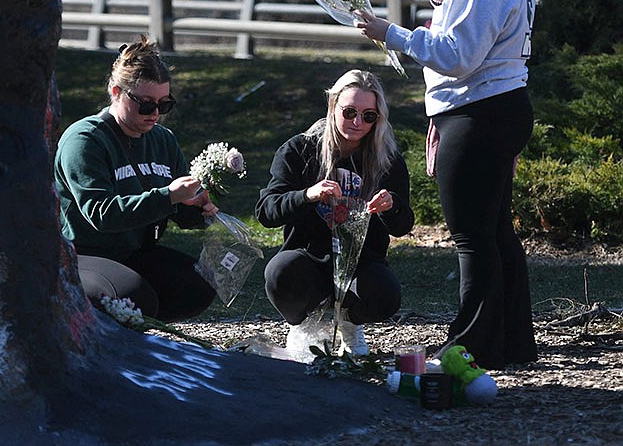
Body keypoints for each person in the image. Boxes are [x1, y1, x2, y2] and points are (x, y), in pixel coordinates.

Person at [354, 0, 538, 369]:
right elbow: (472, 41)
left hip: (476, 115)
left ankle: (471, 344)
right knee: (496, 231)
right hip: (504, 108)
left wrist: (388, 31)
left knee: (471, 236)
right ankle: (513, 340)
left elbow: (457, 57)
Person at [54, 35, 217, 323]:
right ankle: (89, 325)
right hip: (81, 254)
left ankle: (135, 331)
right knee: (136, 297)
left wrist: (198, 209)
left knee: (199, 285)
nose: (155, 114)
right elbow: (101, 215)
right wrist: (168, 196)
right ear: (117, 92)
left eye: (164, 104)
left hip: (135, 251)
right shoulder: (85, 139)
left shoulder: (162, 140)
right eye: (145, 104)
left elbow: (178, 212)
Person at [255, 69, 414, 358]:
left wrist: (392, 206)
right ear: (333, 106)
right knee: (279, 273)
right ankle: (302, 326)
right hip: (308, 255)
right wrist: (307, 195)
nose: (357, 122)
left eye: (368, 116)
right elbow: (266, 211)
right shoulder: (300, 149)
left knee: (385, 293)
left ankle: (351, 324)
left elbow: (403, 225)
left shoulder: (387, 159)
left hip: (362, 262)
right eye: (349, 111)